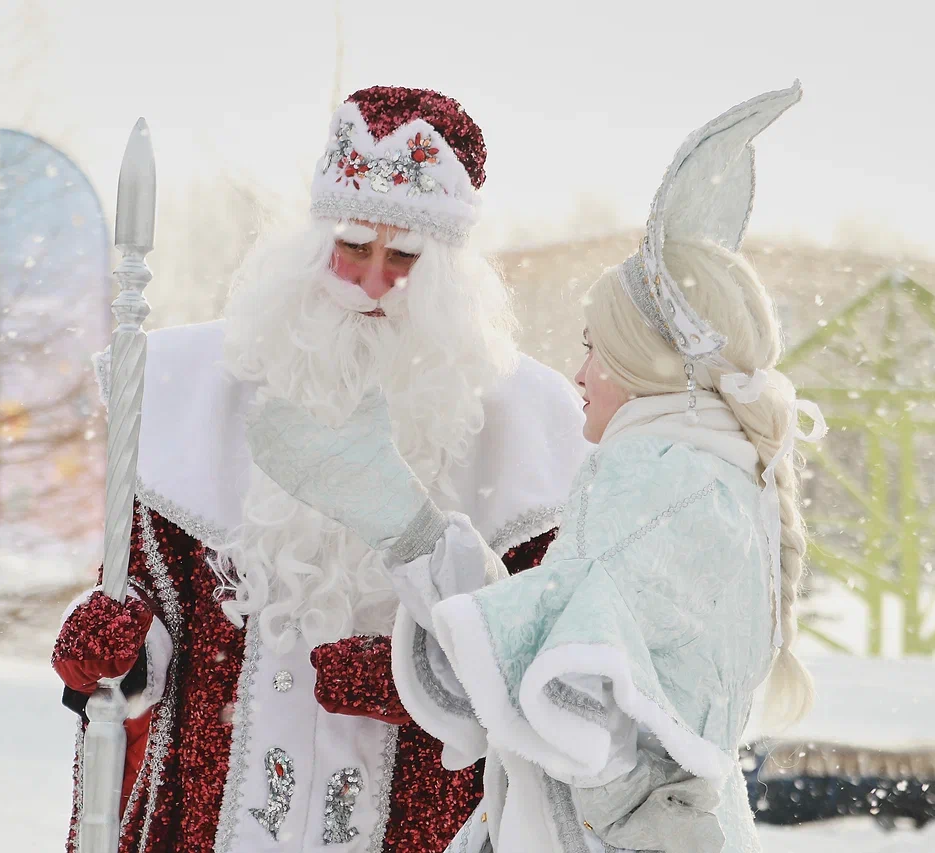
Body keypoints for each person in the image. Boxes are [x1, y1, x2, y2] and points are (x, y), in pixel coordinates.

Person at [245, 82, 826, 853]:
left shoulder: (659, 479)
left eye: (595, 347)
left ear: (645, 362)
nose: (579, 373)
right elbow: (564, 656)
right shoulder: (704, 473)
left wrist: (404, 529)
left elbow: (568, 696)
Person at [51, 85, 588, 853]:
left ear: (444, 274)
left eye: (402, 258)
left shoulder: (528, 431)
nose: (371, 282)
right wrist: (119, 650)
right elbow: (153, 604)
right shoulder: (191, 391)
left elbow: (534, 662)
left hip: (418, 820)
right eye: (353, 248)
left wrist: (415, 678)